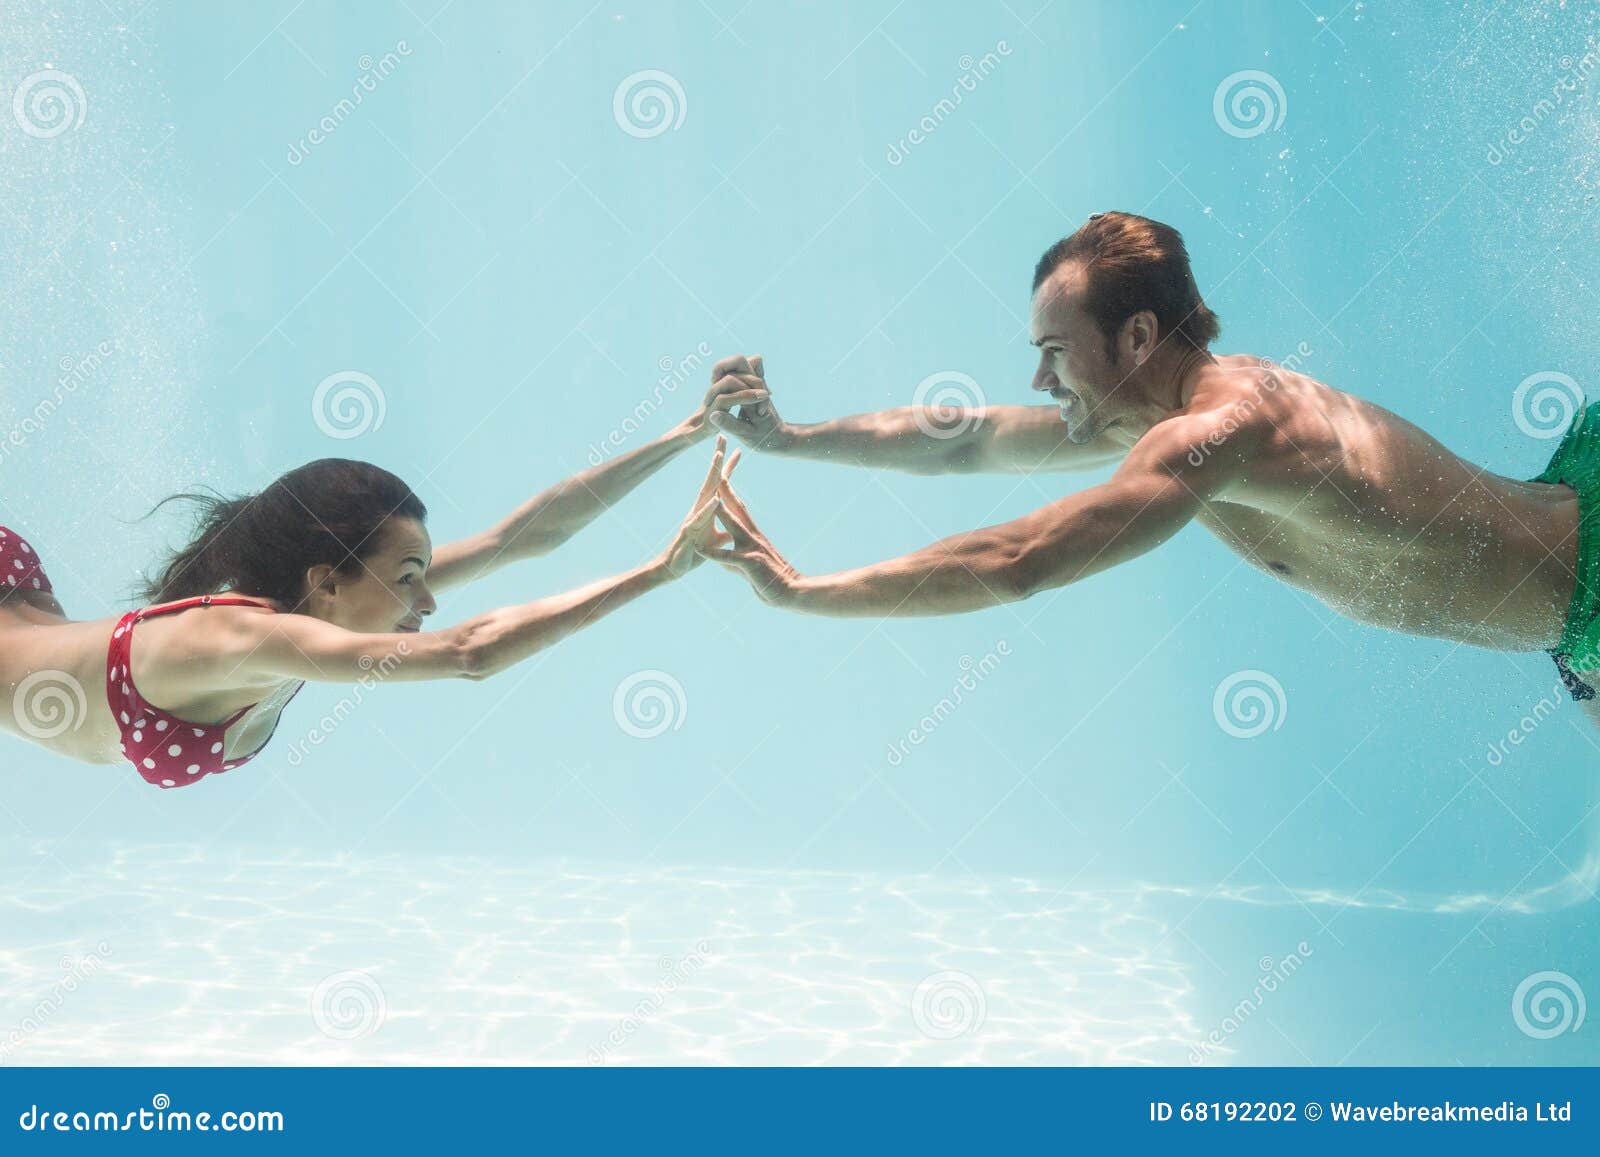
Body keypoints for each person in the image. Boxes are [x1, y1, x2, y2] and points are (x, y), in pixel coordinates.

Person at [698, 210, 1600, 727]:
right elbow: (964, 438)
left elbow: (1020, 560)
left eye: (1054, 351)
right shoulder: (1154, 413)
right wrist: (792, 437)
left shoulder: (1218, 429)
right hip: (1570, 627)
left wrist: (805, 592)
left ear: (1136, 337)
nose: (1038, 380)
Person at [0, 376, 763, 788]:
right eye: (408, 578)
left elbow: (519, 537)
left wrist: (687, 433)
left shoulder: (319, 610)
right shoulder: (237, 635)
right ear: (326, 581)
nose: (427, 600)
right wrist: (661, 570)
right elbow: (470, 652)